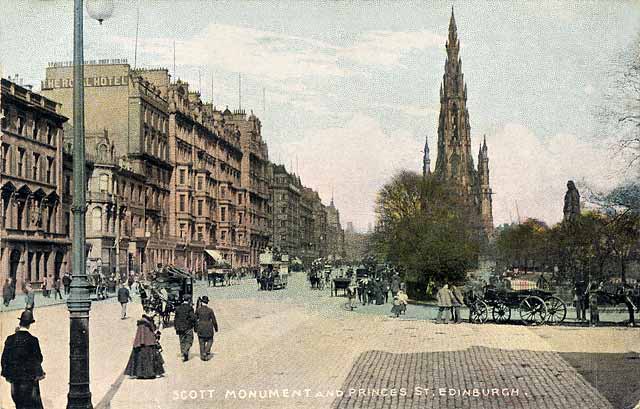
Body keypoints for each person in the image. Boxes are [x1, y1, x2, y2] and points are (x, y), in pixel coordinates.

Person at [1, 310, 45, 409]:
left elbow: (4, 359)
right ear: (29, 325)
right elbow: (39, 358)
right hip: (28, 380)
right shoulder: (33, 340)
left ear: (20, 322)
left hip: (14, 379)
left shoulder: (10, 339)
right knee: (30, 404)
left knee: (19, 404)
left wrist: (7, 374)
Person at [124, 314, 165, 379]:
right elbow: (147, 332)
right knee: (149, 357)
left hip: (143, 343)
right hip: (148, 343)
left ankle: (140, 373)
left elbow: (143, 334)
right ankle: (150, 373)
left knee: (141, 359)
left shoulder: (144, 322)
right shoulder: (146, 323)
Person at [174, 294, 197, 362]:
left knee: (182, 341)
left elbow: (175, 319)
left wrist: (176, 327)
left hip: (179, 327)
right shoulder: (189, 308)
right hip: (188, 327)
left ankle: (185, 356)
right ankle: (185, 351)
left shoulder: (178, 308)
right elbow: (193, 318)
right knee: (189, 340)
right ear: (189, 300)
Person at [195, 296, 219, 361]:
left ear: (202, 302)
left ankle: (203, 355)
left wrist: (195, 328)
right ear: (207, 302)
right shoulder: (210, 310)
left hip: (200, 327)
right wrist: (216, 328)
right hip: (209, 327)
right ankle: (206, 351)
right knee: (210, 340)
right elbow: (214, 320)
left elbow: (195, 319)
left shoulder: (198, 310)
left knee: (201, 341)